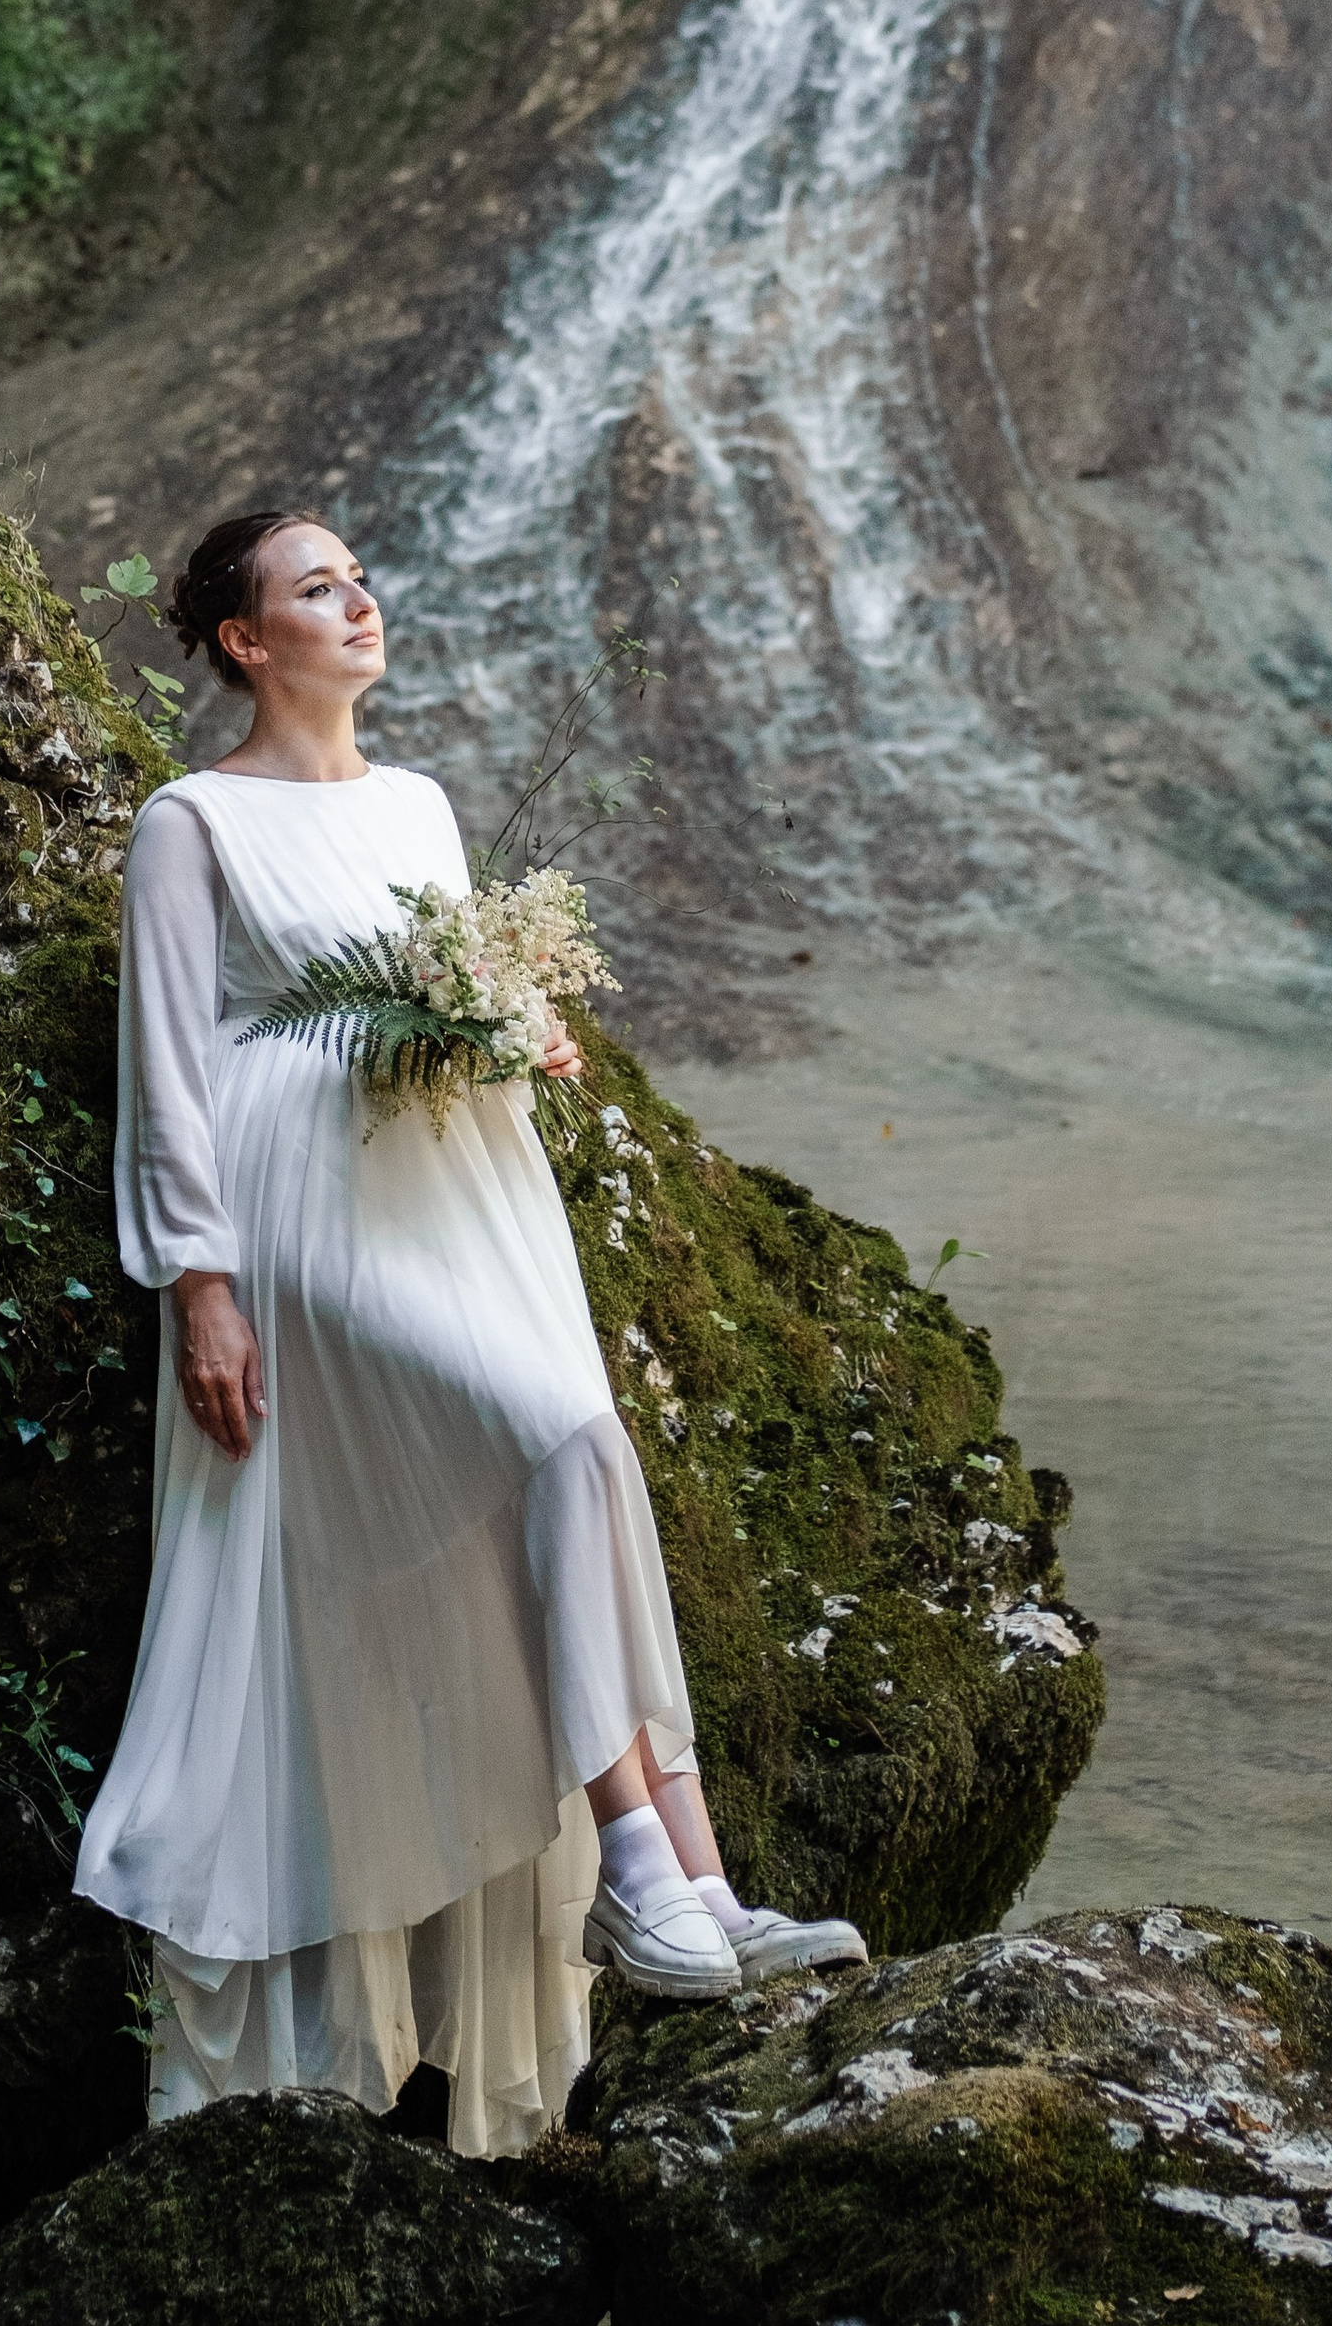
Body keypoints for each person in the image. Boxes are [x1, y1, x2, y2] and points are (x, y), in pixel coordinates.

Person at [71, 508, 863, 2156]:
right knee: (551, 1441)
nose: (358, 601)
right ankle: (639, 1878)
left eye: (361, 577)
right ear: (242, 639)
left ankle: (694, 1881)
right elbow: (170, 1067)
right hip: (306, 1222)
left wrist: (519, 1016)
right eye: (315, 589)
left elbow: (451, 990)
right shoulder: (189, 823)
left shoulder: (421, 805)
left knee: (584, 1462)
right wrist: (197, 1285)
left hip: (460, 1191)